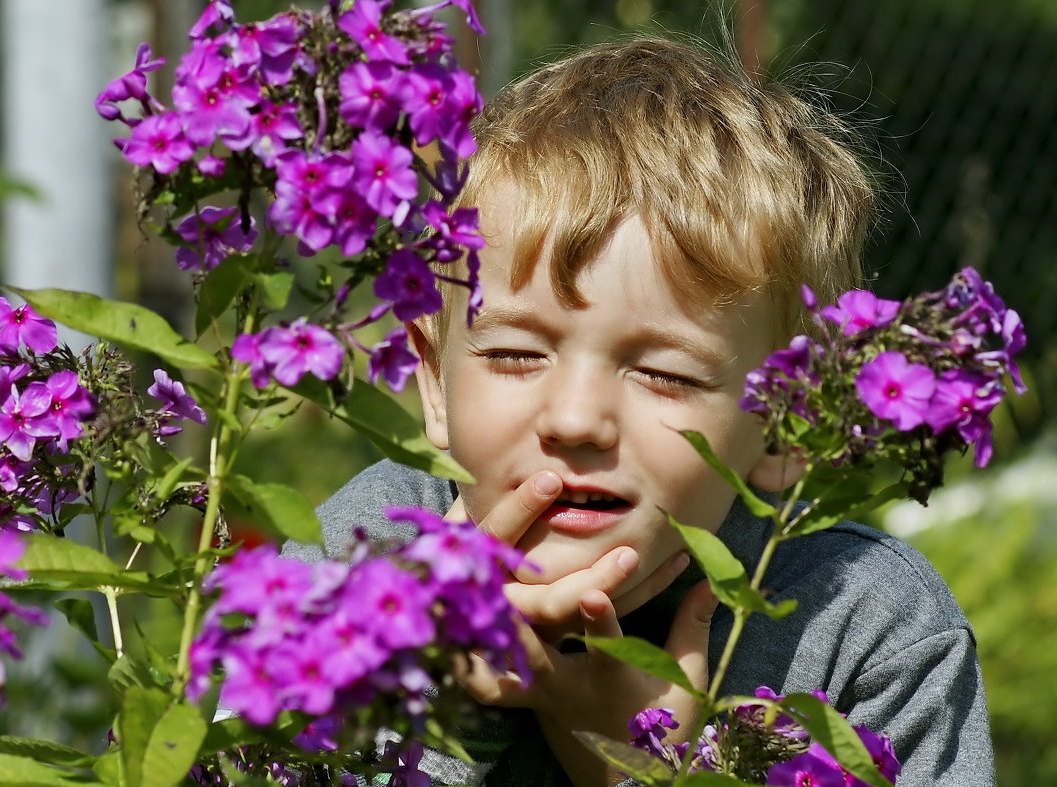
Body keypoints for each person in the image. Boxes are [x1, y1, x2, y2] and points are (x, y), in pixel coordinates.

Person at [284, 35, 994, 786]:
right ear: (433, 382)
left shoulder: (867, 630)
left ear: (789, 420)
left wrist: (633, 769)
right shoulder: (353, 561)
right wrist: (447, 700)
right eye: (516, 354)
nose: (577, 419)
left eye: (663, 372)